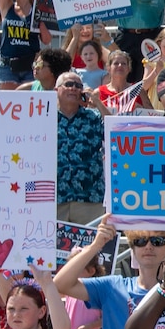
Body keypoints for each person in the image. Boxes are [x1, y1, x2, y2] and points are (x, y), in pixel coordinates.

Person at [53, 218, 161, 329]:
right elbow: (60, 284)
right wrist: (95, 246)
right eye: (140, 241)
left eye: (158, 241)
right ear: (132, 248)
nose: (148, 246)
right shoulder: (112, 286)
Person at [54, 71, 106, 224]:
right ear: (56, 90)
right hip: (55, 199)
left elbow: (115, 132)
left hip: (89, 198)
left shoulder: (93, 117)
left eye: (78, 86)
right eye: (69, 84)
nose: (74, 88)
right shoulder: (43, 116)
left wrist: (98, 102)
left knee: (92, 247)